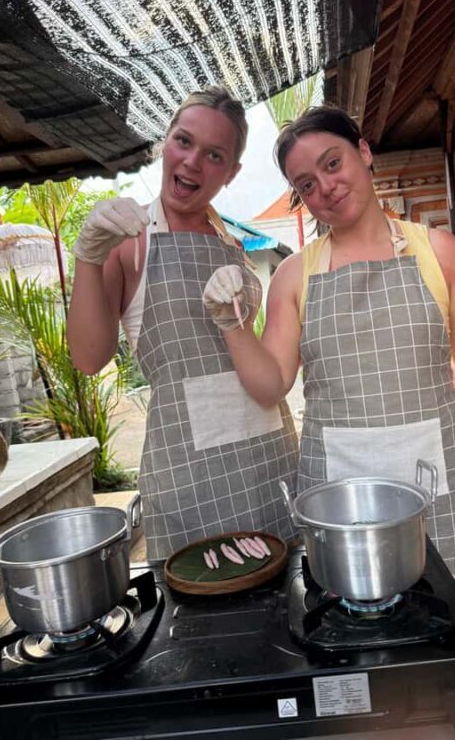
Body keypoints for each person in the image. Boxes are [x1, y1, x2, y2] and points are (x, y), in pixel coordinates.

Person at [202, 105, 455, 599]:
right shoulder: (293, 276)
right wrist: (232, 326)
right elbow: (271, 384)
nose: (324, 188)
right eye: (306, 184)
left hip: (437, 477)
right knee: (356, 627)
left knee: (447, 623)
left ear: (363, 152)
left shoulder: (438, 250)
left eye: (332, 163)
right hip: (338, 491)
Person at [67, 86, 299, 561]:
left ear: (231, 172)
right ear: (165, 143)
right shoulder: (128, 239)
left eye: (214, 154)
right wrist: (88, 258)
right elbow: (89, 358)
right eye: (183, 141)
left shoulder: (232, 243)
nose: (193, 161)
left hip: (273, 455)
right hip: (190, 476)